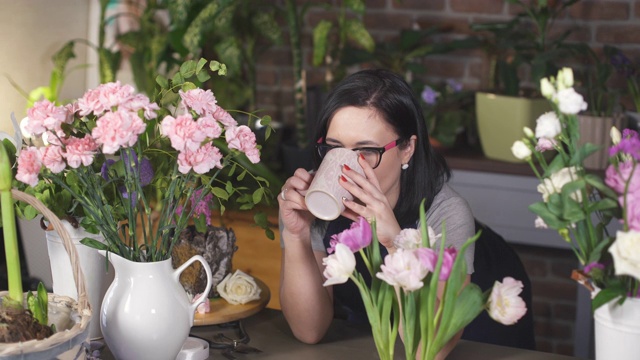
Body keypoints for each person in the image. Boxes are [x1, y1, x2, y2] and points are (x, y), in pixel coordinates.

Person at [277, 69, 475, 358]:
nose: (348, 168)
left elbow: (427, 349)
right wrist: (296, 235)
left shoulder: (445, 213)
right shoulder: (314, 197)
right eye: (334, 149)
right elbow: (309, 330)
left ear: (407, 148)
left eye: (367, 150)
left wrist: (396, 244)